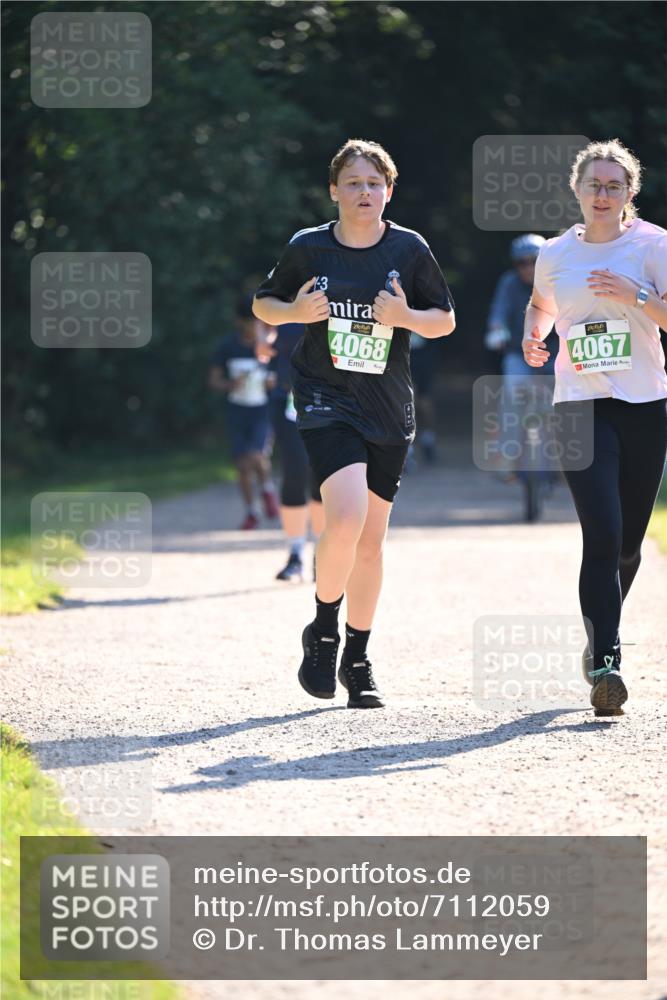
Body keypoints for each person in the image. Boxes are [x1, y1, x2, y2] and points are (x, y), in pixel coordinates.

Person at [253, 138, 455, 708]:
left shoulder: (410, 249)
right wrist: (294, 311)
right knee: (345, 516)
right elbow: (264, 303)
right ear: (334, 191)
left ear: (389, 192)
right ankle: (322, 630)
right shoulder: (309, 247)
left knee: (370, 543)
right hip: (324, 396)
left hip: (388, 406)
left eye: (374, 183)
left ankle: (358, 657)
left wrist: (404, 316)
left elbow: (445, 320)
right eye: (353, 182)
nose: (364, 192)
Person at [522, 138, 667, 716]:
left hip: (644, 402)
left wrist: (638, 296)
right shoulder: (556, 252)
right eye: (593, 185)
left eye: (614, 186)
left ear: (629, 193)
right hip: (578, 403)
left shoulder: (654, 245)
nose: (602, 195)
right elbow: (542, 304)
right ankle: (606, 661)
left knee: (629, 543)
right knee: (602, 534)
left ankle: (596, 633)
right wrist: (536, 333)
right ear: (576, 189)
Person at [485, 234, 557, 479]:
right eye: (521, 262)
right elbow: (498, 313)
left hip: (557, 354)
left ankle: (564, 458)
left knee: (565, 402)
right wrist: (496, 329)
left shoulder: (557, 281)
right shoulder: (508, 283)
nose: (528, 267)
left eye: (533, 261)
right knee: (512, 392)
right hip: (519, 353)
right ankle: (508, 455)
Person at [209, 295, 280, 530]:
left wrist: (273, 382)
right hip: (237, 411)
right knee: (242, 465)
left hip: (262, 410)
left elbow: (282, 374)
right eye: (252, 322)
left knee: (257, 456)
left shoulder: (269, 345)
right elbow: (214, 380)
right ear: (241, 322)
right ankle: (252, 511)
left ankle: (268, 489)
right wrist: (231, 385)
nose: (257, 327)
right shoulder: (228, 346)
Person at [262, 322, 325, 581]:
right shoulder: (283, 289)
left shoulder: (337, 289)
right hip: (288, 398)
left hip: (328, 399)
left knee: (323, 478)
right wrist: (264, 336)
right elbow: (262, 342)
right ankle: (296, 553)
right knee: (295, 470)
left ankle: (321, 553)